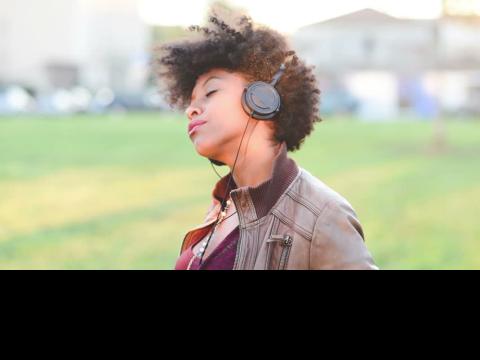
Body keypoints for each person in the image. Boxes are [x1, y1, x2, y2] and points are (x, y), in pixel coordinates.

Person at [156, 7, 378, 270]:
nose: (191, 110)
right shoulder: (223, 208)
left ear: (261, 99)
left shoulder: (322, 217)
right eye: (191, 102)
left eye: (211, 91)